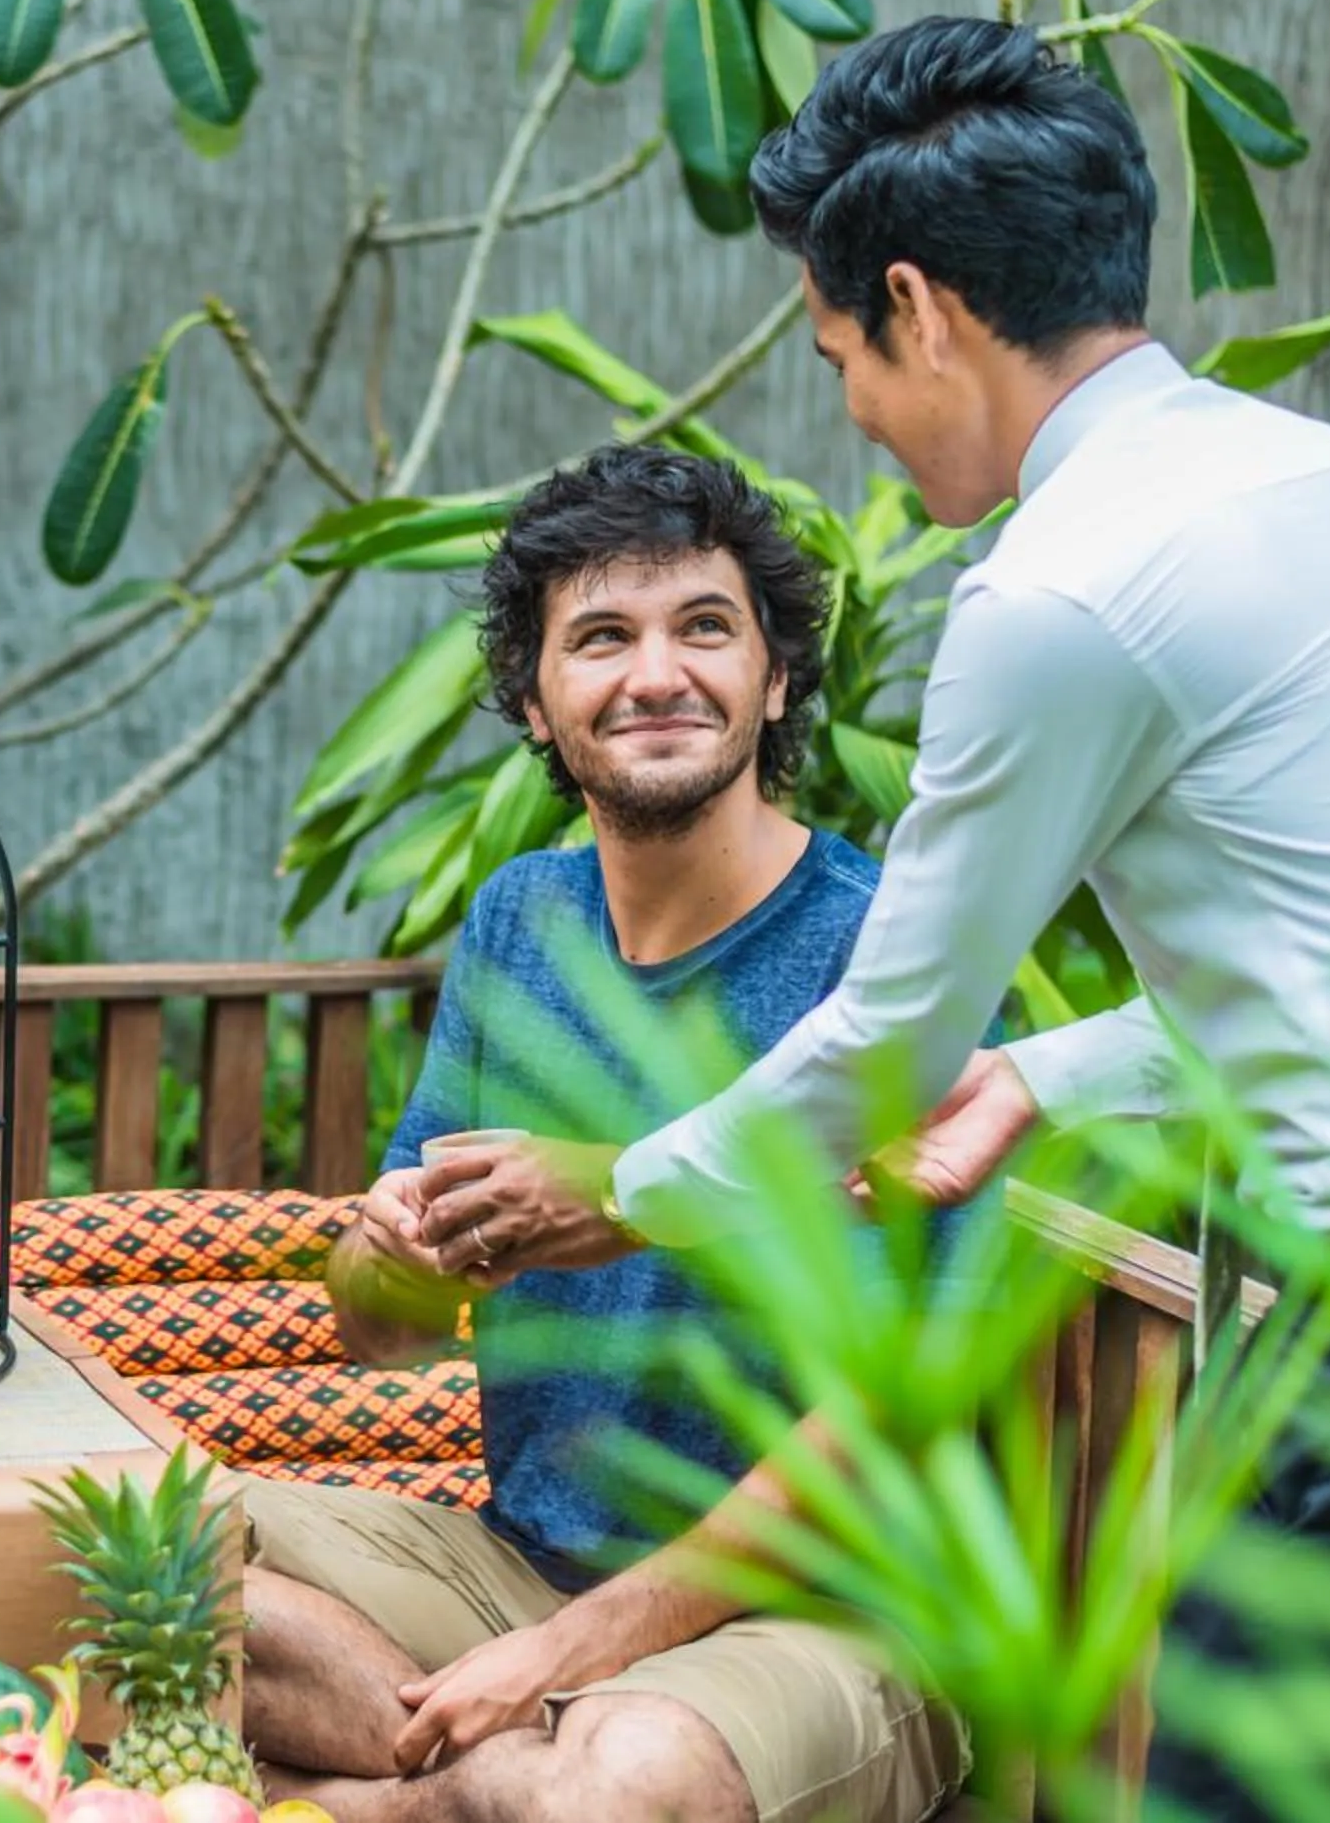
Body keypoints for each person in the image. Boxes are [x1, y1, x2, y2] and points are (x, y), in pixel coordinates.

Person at [404, 16, 1330, 1818]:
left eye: (840, 355)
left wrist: (623, 1188)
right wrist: (1048, 1075)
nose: (855, 411)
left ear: (915, 307)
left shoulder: (1061, 590)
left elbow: (889, 1040)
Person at [243, 446, 974, 1823]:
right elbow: (382, 1331)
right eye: (601, 637)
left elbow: (888, 1424)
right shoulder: (522, 921)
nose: (657, 673)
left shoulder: (887, 962)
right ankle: (499, 1792)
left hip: (815, 1613)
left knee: (627, 1778)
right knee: (131, 1557)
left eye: (704, 626)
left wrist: (566, 1656)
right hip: (517, 1565)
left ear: (776, 678)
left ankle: (387, 1797)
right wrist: (392, 1249)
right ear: (535, 700)